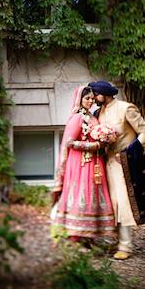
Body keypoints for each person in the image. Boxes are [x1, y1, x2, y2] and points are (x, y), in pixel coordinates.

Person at [89, 80, 145, 260]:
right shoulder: (97, 112)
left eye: (96, 93)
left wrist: (130, 151)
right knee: (112, 203)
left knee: (124, 204)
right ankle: (117, 241)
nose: (94, 97)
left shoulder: (126, 108)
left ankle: (125, 246)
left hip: (124, 163)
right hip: (105, 163)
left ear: (104, 93)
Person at [50, 86, 116, 247]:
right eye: (87, 98)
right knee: (82, 195)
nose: (90, 101)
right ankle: (76, 238)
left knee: (91, 194)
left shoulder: (92, 117)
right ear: (80, 99)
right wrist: (93, 146)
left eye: (92, 99)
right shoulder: (77, 118)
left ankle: (89, 236)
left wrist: (105, 139)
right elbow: (69, 142)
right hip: (81, 163)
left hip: (95, 163)